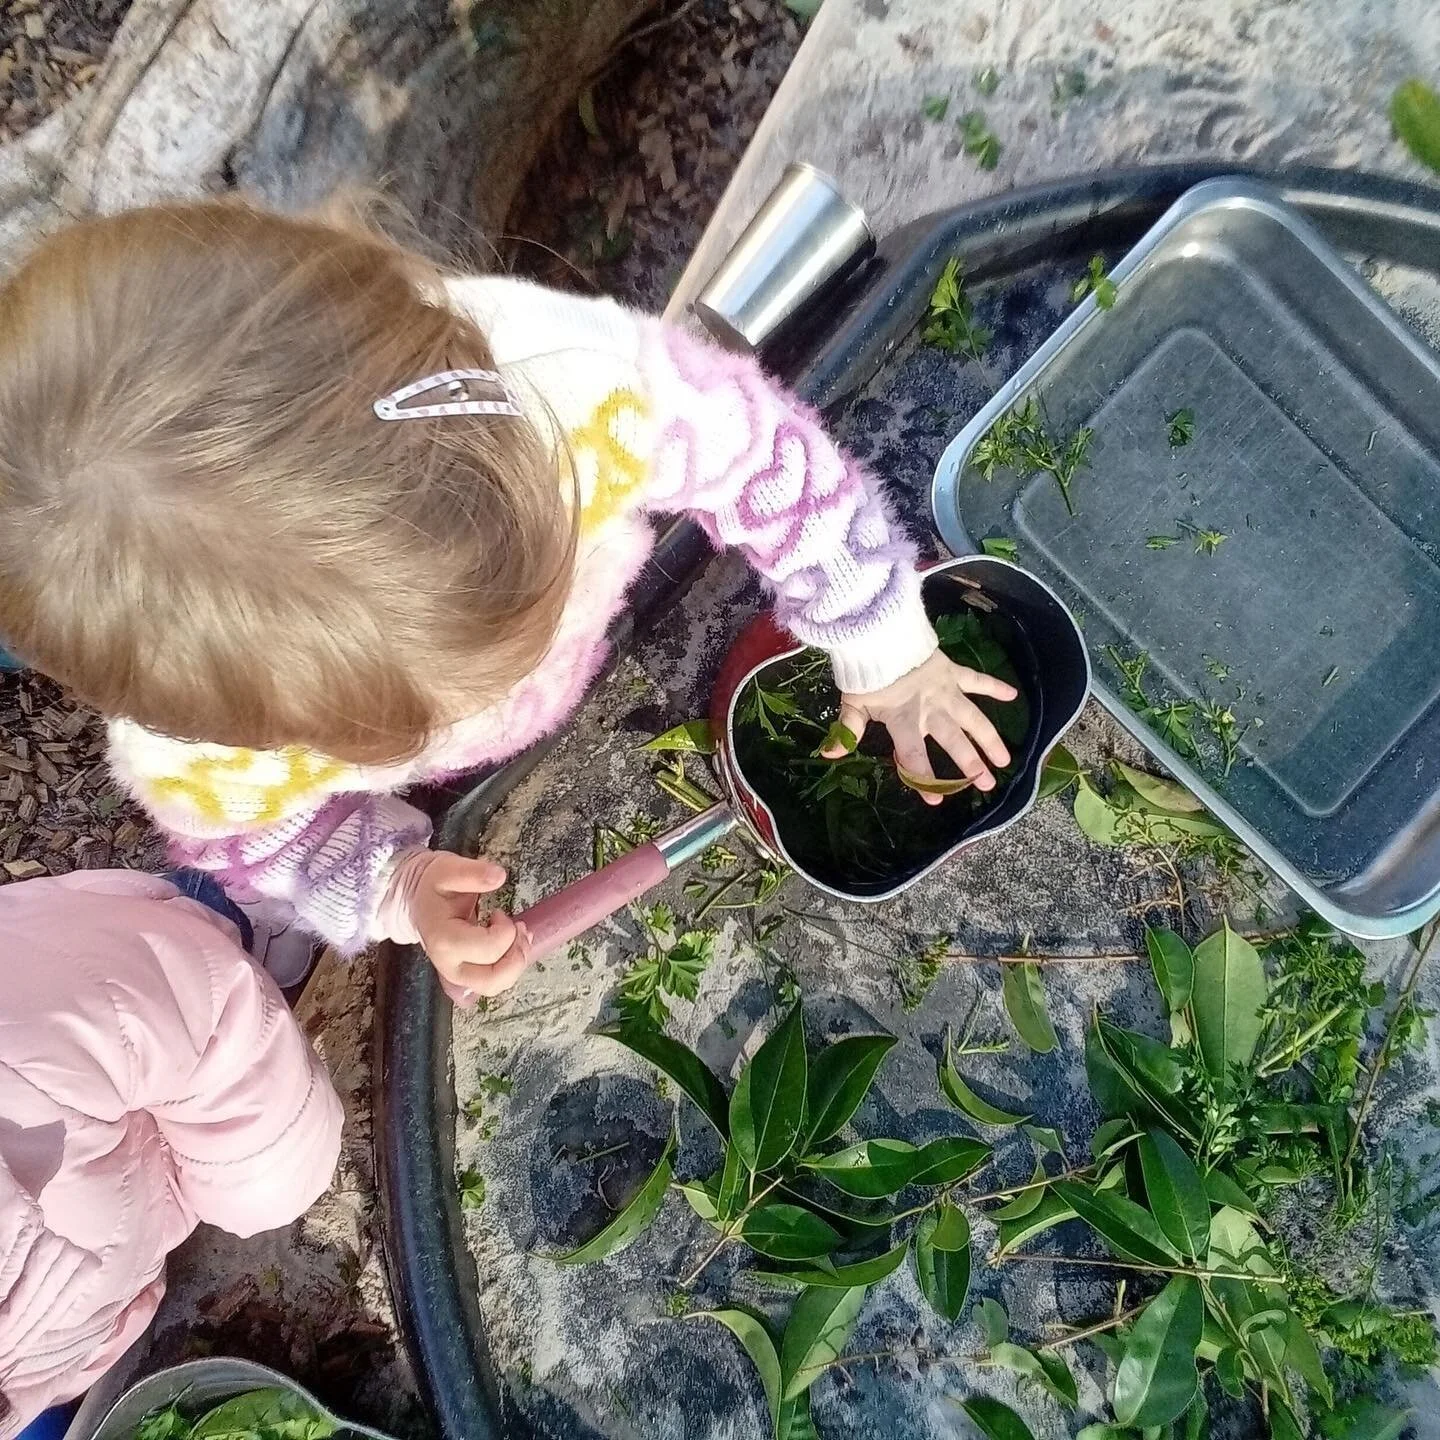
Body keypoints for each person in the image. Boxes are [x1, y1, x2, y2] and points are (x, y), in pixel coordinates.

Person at [0, 198, 1017, 1004]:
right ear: (263, 730)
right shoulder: (207, 766)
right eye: (438, 708)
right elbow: (270, 845)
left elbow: (759, 452)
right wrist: (389, 886)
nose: (512, 674)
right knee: (282, 908)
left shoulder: (570, 383)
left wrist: (885, 640)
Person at [0, 870, 344, 1439]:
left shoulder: (17, 1052)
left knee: (215, 920)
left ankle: (247, 897)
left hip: (134, 971)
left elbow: (193, 1001)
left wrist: (261, 1182)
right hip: (135, 1208)